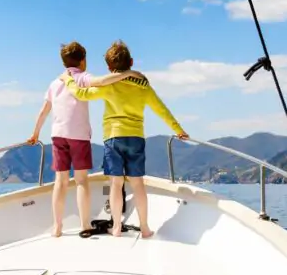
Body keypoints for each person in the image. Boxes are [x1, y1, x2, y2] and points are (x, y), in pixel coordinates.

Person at [59, 40, 189, 238]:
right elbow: (162, 110)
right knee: (138, 184)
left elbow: (81, 94)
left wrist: (68, 80)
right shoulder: (143, 87)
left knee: (116, 184)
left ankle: (117, 227)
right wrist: (178, 129)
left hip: (113, 138)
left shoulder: (110, 86)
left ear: (110, 68)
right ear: (132, 62)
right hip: (136, 138)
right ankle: (145, 227)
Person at [27, 41, 142, 237]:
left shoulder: (55, 83)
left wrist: (35, 133)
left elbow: (44, 111)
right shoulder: (82, 77)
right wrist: (128, 74)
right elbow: (103, 81)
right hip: (78, 136)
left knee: (60, 181)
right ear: (83, 61)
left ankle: (57, 227)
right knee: (81, 181)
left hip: (58, 135)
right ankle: (84, 225)